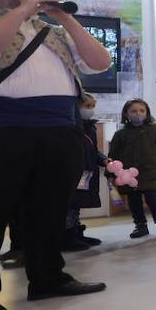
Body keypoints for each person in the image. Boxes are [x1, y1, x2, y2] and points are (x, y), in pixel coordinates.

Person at [0, 0, 109, 310]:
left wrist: (65, 18)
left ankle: (48, 278)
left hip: (60, 130)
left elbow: (98, 62)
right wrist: (22, 11)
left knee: (48, 211)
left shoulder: (53, 32)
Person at [108, 99, 156, 239]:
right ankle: (140, 225)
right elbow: (113, 156)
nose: (138, 113)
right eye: (133, 111)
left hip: (151, 172)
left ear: (147, 113)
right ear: (126, 114)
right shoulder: (120, 135)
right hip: (128, 175)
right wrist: (112, 173)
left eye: (141, 110)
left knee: (154, 199)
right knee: (134, 201)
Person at [63, 92, 108, 251]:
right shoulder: (68, 126)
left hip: (86, 171)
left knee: (77, 204)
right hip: (72, 170)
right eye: (87, 106)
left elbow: (93, 150)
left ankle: (76, 232)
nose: (91, 110)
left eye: (93, 106)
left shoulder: (90, 126)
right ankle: (66, 237)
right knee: (68, 204)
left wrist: (103, 159)